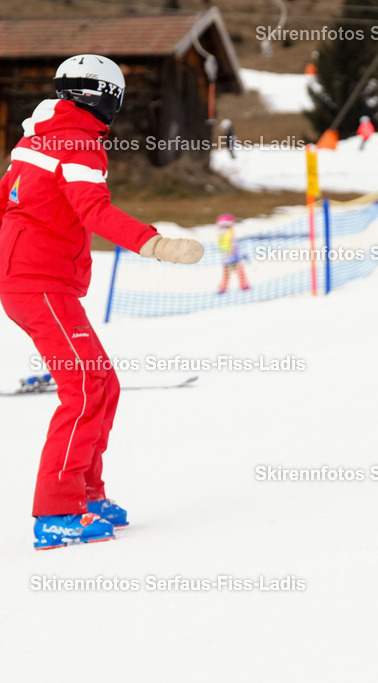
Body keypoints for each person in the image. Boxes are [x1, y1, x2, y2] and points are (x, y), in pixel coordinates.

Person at [0, 54, 204, 549]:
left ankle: (88, 494)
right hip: (38, 281)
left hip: (31, 279)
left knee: (100, 383)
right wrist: (155, 244)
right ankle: (57, 512)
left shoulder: (38, 137)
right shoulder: (78, 145)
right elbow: (94, 210)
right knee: (86, 387)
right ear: (106, 98)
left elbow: (7, 197)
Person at [215, 213, 250, 294]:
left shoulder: (228, 231)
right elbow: (229, 245)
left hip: (232, 256)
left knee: (238, 272)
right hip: (230, 257)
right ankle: (223, 288)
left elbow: (235, 244)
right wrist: (233, 254)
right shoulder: (225, 232)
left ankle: (243, 286)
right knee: (231, 273)